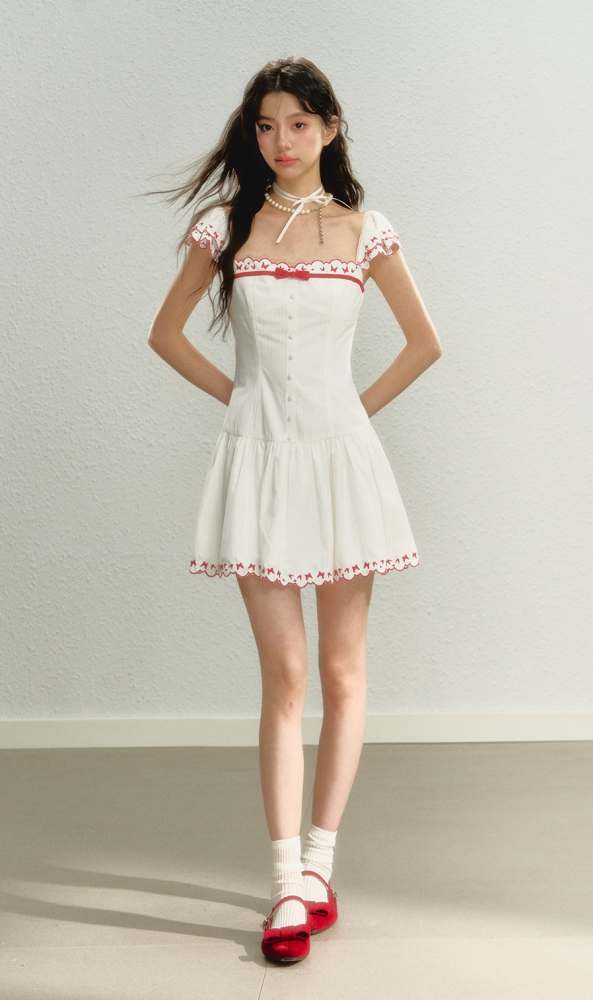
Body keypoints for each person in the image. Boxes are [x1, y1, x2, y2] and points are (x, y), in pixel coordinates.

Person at [147, 56, 443, 964]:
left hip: (343, 468)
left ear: (331, 128)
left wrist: (353, 415)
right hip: (261, 466)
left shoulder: (365, 229)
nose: (282, 141)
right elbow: (164, 334)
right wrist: (241, 401)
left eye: (299, 124)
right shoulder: (225, 226)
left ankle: (320, 866)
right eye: (268, 126)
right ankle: (284, 883)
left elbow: (425, 343)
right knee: (285, 676)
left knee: (344, 672)